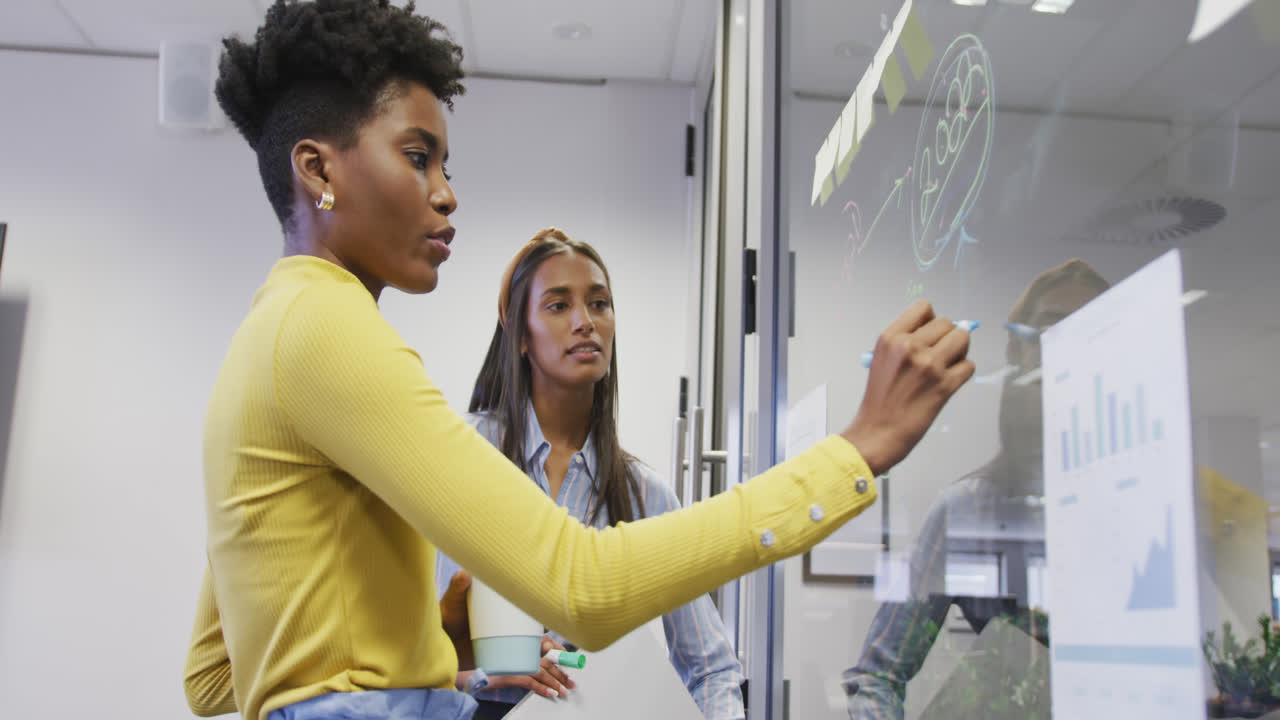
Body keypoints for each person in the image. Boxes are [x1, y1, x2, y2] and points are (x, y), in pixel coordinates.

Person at [180, 2, 975, 720]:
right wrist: (855, 452)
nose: (446, 193)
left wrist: (433, 641)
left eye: (445, 165)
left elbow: (214, 676)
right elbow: (582, 588)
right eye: (419, 157)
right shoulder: (330, 330)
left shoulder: (271, 335)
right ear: (318, 170)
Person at [436, 229, 746, 719]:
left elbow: (712, 668)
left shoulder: (644, 496)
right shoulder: (459, 456)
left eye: (599, 303)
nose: (585, 322)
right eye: (558, 306)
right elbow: (388, 659)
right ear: (519, 335)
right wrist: (486, 674)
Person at [843, 259, 1110, 719]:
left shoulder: (1160, 498)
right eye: (1052, 328)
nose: (1069, 344)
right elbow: (876, 677)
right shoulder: (967, 510)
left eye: (1094, 329)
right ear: (1019, 351)